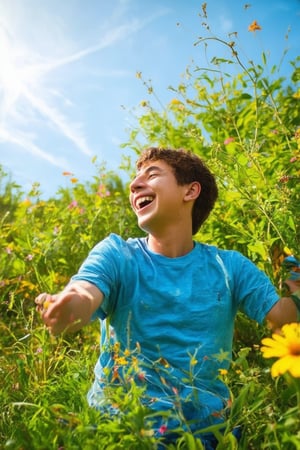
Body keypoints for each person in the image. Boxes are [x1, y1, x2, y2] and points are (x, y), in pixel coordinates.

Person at [35, 147, 299, 449]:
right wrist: (71, 305)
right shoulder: (117, 255)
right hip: (120, 431)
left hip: (204, 435)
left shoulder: (231, 267)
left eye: (152, 174)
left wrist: (295, 277)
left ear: (190, 191)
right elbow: (85, 290)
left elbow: (283, 317)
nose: (134, 185)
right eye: (135, 178)